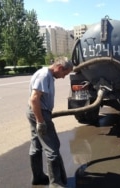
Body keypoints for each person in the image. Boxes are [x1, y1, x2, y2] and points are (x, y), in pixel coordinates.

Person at [26, 56, 73, 188]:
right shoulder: (44, 75)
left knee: (36, 144)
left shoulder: (46, 74)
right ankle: (55, 183)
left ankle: (38, 177)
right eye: (65, 73)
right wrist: (41, 121)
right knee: (52, 147)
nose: (64, 77)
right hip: (39, 113)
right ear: (59, 68)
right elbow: (34, 99)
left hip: (34, 112)